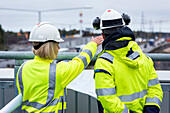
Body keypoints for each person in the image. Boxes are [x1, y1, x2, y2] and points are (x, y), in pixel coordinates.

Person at [16, 22, 103, 113]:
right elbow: (81, 62)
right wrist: (92, 44)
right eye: (57, 45)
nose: (59, 48)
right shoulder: (58, 71)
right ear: (50, 47)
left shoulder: (23, 68)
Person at [93, 9, 163, 113]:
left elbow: (107, 100)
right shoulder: (144, 58)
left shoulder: (104, 63)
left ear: (103, 36)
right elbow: (155, 90)